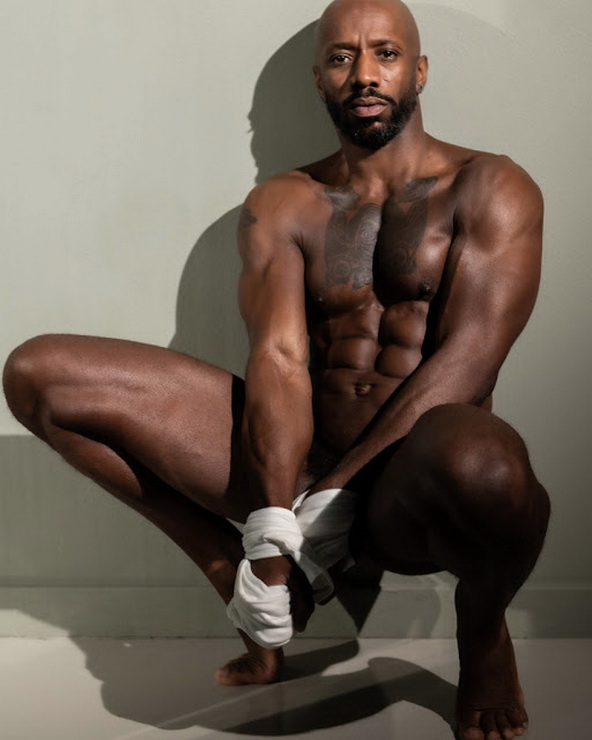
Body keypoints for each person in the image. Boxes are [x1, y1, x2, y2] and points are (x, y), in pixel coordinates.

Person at [2, 0, 550, 737]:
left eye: (386, 53)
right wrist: (268, 535)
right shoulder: (284, 202)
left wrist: (330, 504)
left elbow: (473, 354)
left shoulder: (491, 185)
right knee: (39, 373)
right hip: (297, 468)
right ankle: (226, 567)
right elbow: (280, 359)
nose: (364, 74)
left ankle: (483, 635)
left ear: (419, 71)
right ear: (319, 80)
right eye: (341, 57)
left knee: (489, 466)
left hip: (408, 490)